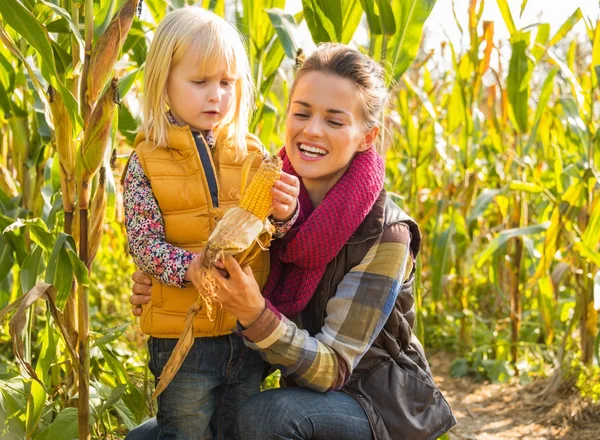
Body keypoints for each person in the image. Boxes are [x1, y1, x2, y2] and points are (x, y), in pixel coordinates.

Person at [129, 43, 456, 440]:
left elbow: (331, 369)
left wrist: (254, 313)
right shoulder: (266, 201)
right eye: (302, 113)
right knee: (146, 437)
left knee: (270, 416)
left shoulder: (387, 234)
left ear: (367, 137)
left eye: (335, 122)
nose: (312, 130)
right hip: (302, 390)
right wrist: (171, 281)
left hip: (376, 407)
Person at [122, 7, 299, 440]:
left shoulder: (254, 156)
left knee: (237, 431)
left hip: (245, 334)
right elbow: (143, 244)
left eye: (226, 83)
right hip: (182, 340)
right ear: (164, 80)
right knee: (184, 433)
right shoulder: (145, 162)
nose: (216, 96)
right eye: (199, 82)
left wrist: (285, 215)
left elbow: (270, 240)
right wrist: (190, 267)